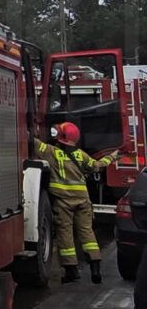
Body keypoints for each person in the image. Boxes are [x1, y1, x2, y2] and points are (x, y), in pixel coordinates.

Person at [33, 122, 121, 284]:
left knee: (65, 233)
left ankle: (71, 271)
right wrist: (115, 154)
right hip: (83, 200)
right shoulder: (81, 155)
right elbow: (97, 165)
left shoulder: (52, 152)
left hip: (63, 200)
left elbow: (34, 143)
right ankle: (95, 269)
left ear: (60, 137)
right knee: (87, 233)